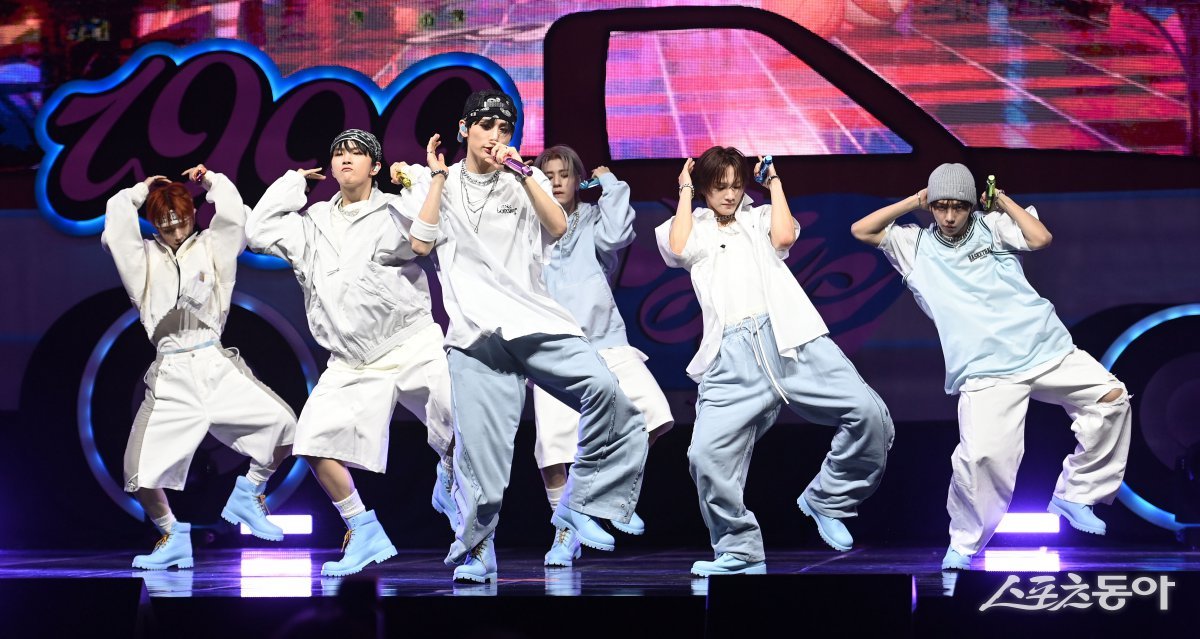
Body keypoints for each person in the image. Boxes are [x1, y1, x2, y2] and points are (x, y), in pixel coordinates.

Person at [407, 90, 649, 583]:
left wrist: (521, 172)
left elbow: (558, 227)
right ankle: (479, 550)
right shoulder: (440, 182)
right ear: (464, 129)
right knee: (482, 454)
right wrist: (437, 177)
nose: (496, 136)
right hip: (475, 335)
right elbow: (420, 243)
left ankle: (581, 504)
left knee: (606, 392)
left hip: (535, 320)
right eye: (486, 126)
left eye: (504, 128)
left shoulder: (525, 177)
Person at [850, 162, 1131, 570]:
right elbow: (862, 230)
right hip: (985, 368)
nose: (949, 216)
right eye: (941, 206)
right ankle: (964, 544)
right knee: (982, 458)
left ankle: (1076, 494)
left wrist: (1001, 202)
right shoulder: (914, 246)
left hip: (1044, 347)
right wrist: (914, 200)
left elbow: (1040, 238)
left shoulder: (993, 227)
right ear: (931, 206)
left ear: (971, 206)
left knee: (1112, 398)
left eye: (959, 207)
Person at [656, 146, 894, 577]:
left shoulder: (760, 215)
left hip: (791, 338)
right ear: (705, 187)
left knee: (869, 414)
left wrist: (775, 183)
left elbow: (784, 239)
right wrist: (686, 190)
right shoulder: (696, 225)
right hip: (731, 357)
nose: (730, 194)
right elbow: (678, 247)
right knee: (704, 456)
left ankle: (828, 499)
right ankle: (739, 549)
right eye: (719, 187)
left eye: (736, 185)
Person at [247, 129, 456, 577]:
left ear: (375, 166)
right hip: (351, 361)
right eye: (339, 152)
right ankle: (363, 530)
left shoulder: (393, 210)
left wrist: (415, 178)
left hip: (409, 342)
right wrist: (292, 183)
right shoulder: (313, 221)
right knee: (313, 442)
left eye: (357, 153)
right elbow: (257, 232)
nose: (345, 159)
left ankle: (451, 477)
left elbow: (431, 231)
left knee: (459, 423)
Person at [103, 164, 297, 570]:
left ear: (193, 215)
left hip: (213, 362)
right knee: (137, 473)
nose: (176, 232)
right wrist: (142, 190)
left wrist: (212, 181)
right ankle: (173, 536)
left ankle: (248, 494)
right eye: (166, 225)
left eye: (181, 222)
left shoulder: (212, 246)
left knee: (287, 427)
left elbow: (234, 216)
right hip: (171, 372)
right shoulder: (142, 257)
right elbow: (117, 222)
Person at [530, 145, 674, 567]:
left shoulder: (593, 219)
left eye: (565, 174)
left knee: (654, 415)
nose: (557, 182)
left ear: (579, 180)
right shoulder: (529, 225)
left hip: (605, 341)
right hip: (554, 347)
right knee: (554, 448)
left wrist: (610, 183)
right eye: (549, 175)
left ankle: (604, 494)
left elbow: (618, 235)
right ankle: (566, 534)